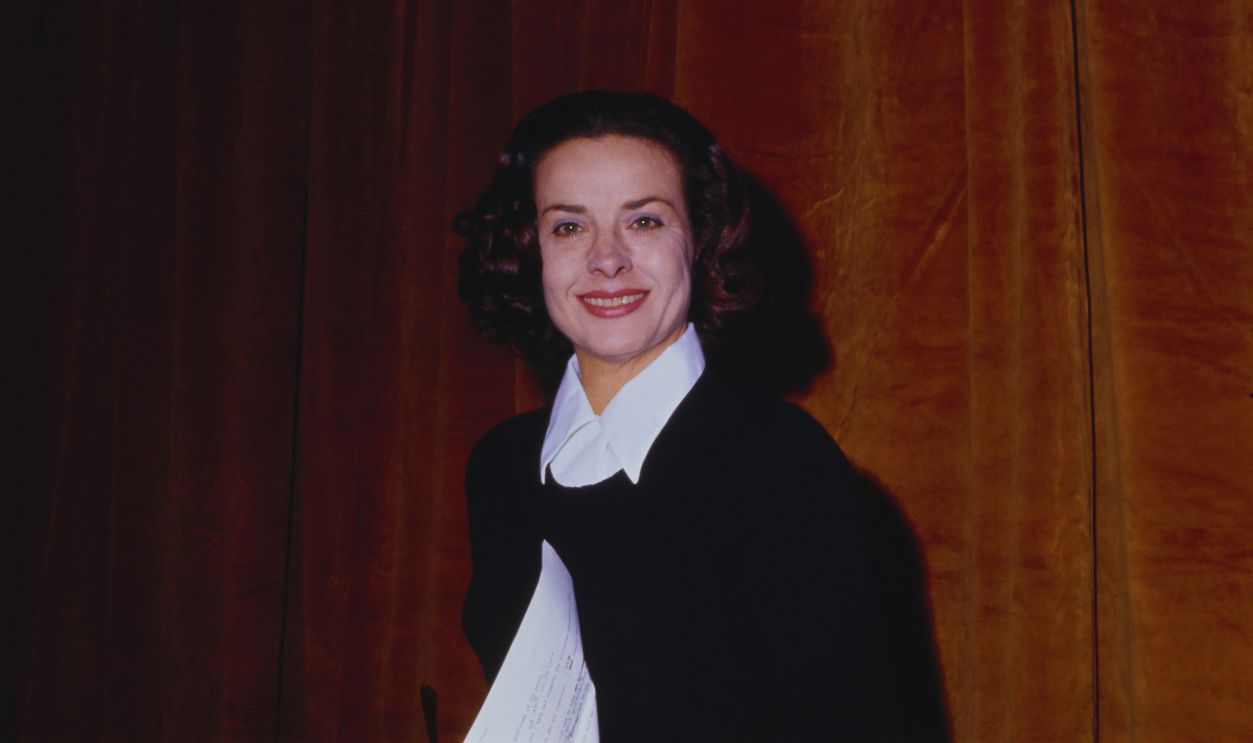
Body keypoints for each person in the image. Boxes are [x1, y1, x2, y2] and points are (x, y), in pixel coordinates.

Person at [456, 90, 909, 741]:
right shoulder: (500, 466)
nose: (606, 258)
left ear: (699, 239)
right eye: (568, 225)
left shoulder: (776, 457)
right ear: (529, 254)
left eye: (643, 221)